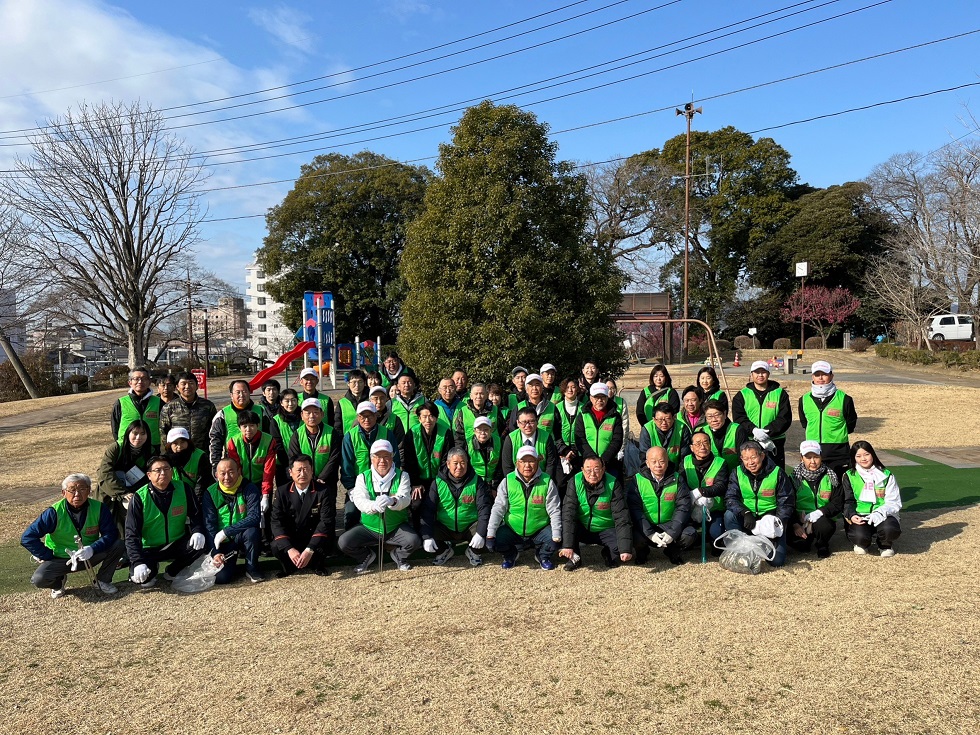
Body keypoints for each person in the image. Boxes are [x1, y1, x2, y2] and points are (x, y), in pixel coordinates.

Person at [21, 473, 126, 597]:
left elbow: (111, 534)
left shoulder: (99, 508)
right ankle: (58, 583)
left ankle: (103, 580)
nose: (77, 494)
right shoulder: (53, 512)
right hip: (60, 558)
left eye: (82, 489)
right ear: (63, 493)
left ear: (89, 491)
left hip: (88, 554)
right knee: (39, 579)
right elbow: (27, 537)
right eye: (72, 490)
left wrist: (92, 548)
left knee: (118, 544)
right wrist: (46, 555)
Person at [338, 440, 420, 573]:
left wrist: (392, 501)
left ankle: (399, 556)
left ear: (392, 457)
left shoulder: (402, 476)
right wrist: (374, 506)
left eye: (386, 456)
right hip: (369, 528)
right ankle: (366, 556)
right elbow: (359, 501)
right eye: (377, 456)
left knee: (414, 541)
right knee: (344, 542)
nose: (382, 460)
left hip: (395, 527)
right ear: (371, 458)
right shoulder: (362, 477)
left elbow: (405, 498)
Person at [125, 456, 206, 589]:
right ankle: (149, 567)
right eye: (158, 470)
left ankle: (172, 570)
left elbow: (196, 515)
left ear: (172, 471)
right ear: (149, 475)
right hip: (149, 548)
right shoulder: (139, 497)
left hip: (176, 543)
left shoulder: (184, 488)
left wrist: (197, 531)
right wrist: (138, 562)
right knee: (143, 581)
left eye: (166, 469)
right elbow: (131, 534)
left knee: (201, 543)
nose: (163, 473)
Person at [487, 446, 562, 570]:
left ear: (538, 461)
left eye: (531, 461)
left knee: (555, 539)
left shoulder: (547, 482)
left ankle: (542, 556)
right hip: (513, 529)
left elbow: (554, 510)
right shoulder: (507, 481)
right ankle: (511, 555)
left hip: (539, 529)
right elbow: (498, 509)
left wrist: (557, 535)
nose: (527, 465)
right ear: (517, 463)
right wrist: (490, 534)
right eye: (523, 461)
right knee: (497, 539)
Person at [724, 441, 795, 568]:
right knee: (729, 515)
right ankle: (738, 549)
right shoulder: (737, 472)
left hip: (770, 519)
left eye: (753, 457)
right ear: (741, 459)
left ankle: (765, 543)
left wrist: (777, 522)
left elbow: (786, 501)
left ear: (762, 456)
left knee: (777, 561)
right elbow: (730, 498)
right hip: (748, 518)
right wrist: (745, 512)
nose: (750, 462)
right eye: (745, 459)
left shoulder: (777, 472)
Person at [420, 447, 492, 566]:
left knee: (487, 531)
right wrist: (427, 536)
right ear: (448, 464)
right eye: (455, 463)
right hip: (445, 526)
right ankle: (444, 551)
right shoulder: (437, 482)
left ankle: (473, 551)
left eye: (463, 463)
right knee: (424, 531)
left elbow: (484, 508)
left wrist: (480, 533)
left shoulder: (476, 481)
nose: (459, 467)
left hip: (469, 526)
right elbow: (428, 509)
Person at [558, 457, 633, 570]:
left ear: (603, 470)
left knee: (621, 547)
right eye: (588, 469)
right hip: (582, 526)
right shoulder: (574, 481)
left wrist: (625, 549)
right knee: (563, 530)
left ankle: (608, 553)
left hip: (606, 528)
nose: (592, 473)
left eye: (596, 469)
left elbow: (621, 516)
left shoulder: (613, 483)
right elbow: (568, 514)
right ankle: (574, 558)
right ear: (582, 470)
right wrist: (568, 545)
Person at [270, 455, 336, 576]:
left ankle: (317, 565)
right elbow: (276, 521)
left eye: (306, 469)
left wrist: (310, 548)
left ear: (312, 471)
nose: (302, 473)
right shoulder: (282, 491)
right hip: (293, 538)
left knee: (326, 541)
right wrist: (289, 548)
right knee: (276, 546)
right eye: (298, 470)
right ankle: (289, 567)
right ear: (290, 472)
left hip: (313, 537)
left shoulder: (323, 491)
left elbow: (326, 521)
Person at [627, 447, 691, 566]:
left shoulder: (677, 478)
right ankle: (642, 553)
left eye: (661, 461)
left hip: (670, 524)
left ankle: (673, 551)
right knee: (634, 536)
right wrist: (649, 533)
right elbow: (635, 509)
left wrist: (672, 532)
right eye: (654, 461)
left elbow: (683, 507)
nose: (658, 465)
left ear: (667, 462)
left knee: (689, 534)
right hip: (647, 524)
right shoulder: (637, 480)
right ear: (647, 463)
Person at [340, 401, 400, 529]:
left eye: (370, 416)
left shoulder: (387, 433)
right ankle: (356, 545)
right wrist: (351, 488)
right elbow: (346, 465)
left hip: (385, 483)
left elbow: (396, 460)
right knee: (350, 516)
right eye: (362, 416)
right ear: (357, 417)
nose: (366, 419)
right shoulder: (350, 436)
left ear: (376, 415)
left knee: (390, 516)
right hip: (358, 485)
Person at [203, 457, 262, 584]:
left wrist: (226, 531)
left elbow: (254, 517)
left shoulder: (249, 488)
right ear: (216, 474)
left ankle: (252, 568)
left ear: (238, 471)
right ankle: (230, 562)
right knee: (222, 578)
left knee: (252, 532)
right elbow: (210, 525)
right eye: (222, 473)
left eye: (231, 472)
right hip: (223, 542)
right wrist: (216, 552)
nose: (227, 477)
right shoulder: (210, 492)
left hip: (242, 535)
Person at [798, 360, 858, 477]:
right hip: (813, 451)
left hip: (838, 452)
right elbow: (804, 423)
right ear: (812, 376)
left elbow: (851, 423)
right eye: (817, 374)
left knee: (840, 488)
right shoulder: (803, 400)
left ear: (831, 375)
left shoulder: (845, 399)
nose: (820, 378)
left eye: (824, 374)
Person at [842, 441, 902, 557]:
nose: (863, 459)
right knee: (859, 537)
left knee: (890, 529)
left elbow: (893, 502)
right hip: (861, 515)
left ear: (872, 454)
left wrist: (879, 513)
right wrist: (852, 515)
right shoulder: (849, 475)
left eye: (866, 454)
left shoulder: (886, 475)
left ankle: (884, 544)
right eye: (858, 456)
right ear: (854, 458)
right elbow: (847, 500)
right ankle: (862, 543)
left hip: (883, 514)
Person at [731, 361, 792, 469]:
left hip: (774, 443)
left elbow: (784, 418)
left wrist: (767, 433)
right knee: (752, 472)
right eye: (757, 372)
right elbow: (739, 418)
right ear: (751, 374)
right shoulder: (742, 395)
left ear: (768, 374)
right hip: (750, 441)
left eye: (763, 372)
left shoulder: (780, 393)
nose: (760, 375)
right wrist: (753, 430)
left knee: (775, 474)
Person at [95, 419, 153, 532]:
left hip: (134, 492)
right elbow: (104, 472)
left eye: (142, 434)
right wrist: (122, 493)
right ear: (128, 433)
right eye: (135, 433)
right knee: (105, 524)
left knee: (129, 525)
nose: (138, 437)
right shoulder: (116, 448)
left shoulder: (150, 451)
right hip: (110, 492)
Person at [789, 441, 843, 558]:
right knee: (801, 546)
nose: (812, 461)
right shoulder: (794, 478)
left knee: (824, 526)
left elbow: (837, 502)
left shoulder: (831, 477)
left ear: (821, 457)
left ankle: (822, 544)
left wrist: (820, 512)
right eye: (808, 457)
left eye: (816, 457)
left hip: (822, 518)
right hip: (800, 520)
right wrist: (795, 523)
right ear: (801, 458)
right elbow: (787, 503)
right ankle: (806, 540)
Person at [405, 401, 454, 527]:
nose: (428, 420)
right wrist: (415, 483)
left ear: (436, 417)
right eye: (424, 416)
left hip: (440, 480)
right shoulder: (412, 433)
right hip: (418, 480)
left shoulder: (445, 433)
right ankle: (417, 531)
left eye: (431, 416)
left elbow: (446, 461)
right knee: (416, 503)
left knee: (439, 502)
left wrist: (438, 482)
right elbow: (409, 461)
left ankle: (439, 533)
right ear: (419, 418)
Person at [680, 431, 729, 552]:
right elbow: (681, 486)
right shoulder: (685, 462)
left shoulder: (720, 462)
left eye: (705, 442)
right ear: (691, 447)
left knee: (716, 536)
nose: (702, 446)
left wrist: (700, 491)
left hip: (714, 510)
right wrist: (693, 499)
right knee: (688, 538)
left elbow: (721, 486)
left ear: (710, 445)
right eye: (697, 443)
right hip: (691, 509)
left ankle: (712, 537)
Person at [226, 411, 277, 517]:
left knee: (264, 515)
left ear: (258, 425)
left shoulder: (268, 440)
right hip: (242, 484)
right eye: (244, 426)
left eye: (252, 425)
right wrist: (239, 488)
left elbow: (268, 470)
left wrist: (266, 495)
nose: (248, 429)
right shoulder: (233, 442)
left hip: (261, 483)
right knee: (245, 515)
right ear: (239, 427)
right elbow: (236, 467)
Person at [208, 379, 266, 472]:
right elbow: (215, 441)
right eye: (237, 392)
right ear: (231, 395)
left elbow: (269, 437)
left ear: (249, 393)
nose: (241, 395)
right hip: (232, 466)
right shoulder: (223, 414)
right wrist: (216, 465)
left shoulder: (261, 411)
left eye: (244, 391)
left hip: (258, 466)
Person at [287, 398, 340, 489]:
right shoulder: (297, 435)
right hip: (304, 482)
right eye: (307, 413)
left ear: (322, 414)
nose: (311, 416)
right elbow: (294, 458)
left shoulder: (332, 433)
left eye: (315, 412)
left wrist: (322, 477)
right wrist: (309, 479)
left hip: (327, 482)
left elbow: (334, 458)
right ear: (302, 415)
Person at [575, 382, 624, 477]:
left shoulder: (615, 416)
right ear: (591, 398)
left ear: (607, 398)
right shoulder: (583, 415)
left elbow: (617, 440)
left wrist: (604, 460)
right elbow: (580, 438)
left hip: (609, 463)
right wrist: (591, 458)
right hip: (587, 462)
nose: (600, 400)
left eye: (603, 397)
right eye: (596, 397)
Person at [160, 371, 217, 453]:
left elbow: (214, 430)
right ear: (177, 387)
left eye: (191, 383)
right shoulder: (169, 407)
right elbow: (163, 433)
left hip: (202, 453)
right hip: (178, 452)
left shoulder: (208, 406)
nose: (187, 386)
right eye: (183, 383)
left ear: (197, 386)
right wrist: (167, 453)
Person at [110, 367, 162, 454]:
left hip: (152, 448)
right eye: (136, 379)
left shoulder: (158, 402)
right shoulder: (121, 402)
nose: (140, 382)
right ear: (130, 382)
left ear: (149, 382)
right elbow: (115, 426)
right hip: (126, 448)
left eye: (144, 379)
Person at [501, 406, 559, 480]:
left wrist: (545, 482)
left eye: (531, 421)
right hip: (517, 480)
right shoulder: (510, 439)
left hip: (542, 479)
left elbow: (551, 464)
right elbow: (507, 467)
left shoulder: (547, 437)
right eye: (524, 422)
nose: (528, 426)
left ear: (537, 421)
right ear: (518, 423)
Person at [700, 399, 751, 472]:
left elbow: (744, 457)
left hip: (735, 475)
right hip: (713, 476)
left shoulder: (737, 430)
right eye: (709, 416)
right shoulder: (703, 432)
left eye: (717, 415)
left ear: (724, 414)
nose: (714, 420)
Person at [638, 403, 691, 471]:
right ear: (654, 419)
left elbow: (685, 456)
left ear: (674, 418)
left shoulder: (682, 428)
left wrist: (678, 476)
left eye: (668, 419)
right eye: (660, 419)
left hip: (676, 471)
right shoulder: (647, 429)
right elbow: (644, 456)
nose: (664, 423)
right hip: (654, 471)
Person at [164, 427, 212, 500]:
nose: (179, 446)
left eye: (183, 442)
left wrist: (195, 503)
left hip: (195, 498)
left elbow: (202, 484)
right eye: (175, 443)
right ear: (169, 445)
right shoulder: (165, 460)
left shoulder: (200, 456)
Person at [270, 388, 302, 485]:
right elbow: (277, 445)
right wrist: (290, 465)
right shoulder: (276, 420)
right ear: (281, 403)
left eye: (293, 400)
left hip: (304, 462)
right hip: (284, 465)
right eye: (287, 401)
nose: (290, 404)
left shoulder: (304, 416)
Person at [453, 382, 501, 446]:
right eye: (476, 394)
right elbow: (458, 435)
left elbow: (503, 430)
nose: (479, 396)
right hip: (470, 451)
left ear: (486, 395)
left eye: (481, 394)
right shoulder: (463, 411)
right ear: (471, 396)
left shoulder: (495, 410)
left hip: (493, 450)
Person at [466, 416, 503, 492]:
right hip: (473, 483)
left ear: (491, 430)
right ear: (474, 431)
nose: (483, 433)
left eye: (486, 429)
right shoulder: (467, 444)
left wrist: (494, 487)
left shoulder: (499, 442)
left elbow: (501, 466)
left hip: (494, 483)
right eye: (479, 430)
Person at [554, 378, 581, 480]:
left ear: (577, 389)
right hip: (561, 452)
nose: (570, 390)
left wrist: (574, 450)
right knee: (561, 483)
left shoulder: (583, 409)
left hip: (578, 452)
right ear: (563, 390)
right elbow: (555, 432)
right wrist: (564, 451)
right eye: (567, 387)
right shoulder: (556, 408)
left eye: (573, 387)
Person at [335, 369, 368, 436]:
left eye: (360, 382)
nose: (357, 385)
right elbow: (337, 425)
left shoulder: (370, 400)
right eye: (353, 382)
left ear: (365, 383)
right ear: (348, 384)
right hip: (348, 441)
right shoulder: (342, 403)